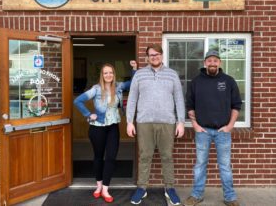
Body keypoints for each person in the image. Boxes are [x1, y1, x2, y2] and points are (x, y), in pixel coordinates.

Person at [126, 44, 185, 205]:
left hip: (167, 122)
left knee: (167, 156)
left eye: (157, 54)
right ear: (147, 57)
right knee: (145, 156)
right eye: (151, 55)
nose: (154, 57)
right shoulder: (139, 75)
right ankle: (142, 188)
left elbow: (179, 99)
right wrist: (129, 122)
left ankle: (169, 188)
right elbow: (132, 99)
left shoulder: (172, 75)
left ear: (162, 55)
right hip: (144, 122)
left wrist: (181, 122)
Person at [74, 60, 137, 203]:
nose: (108, 75)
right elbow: (77, 101)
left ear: (114, 74)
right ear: (102, 75)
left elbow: (134, 82)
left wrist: (134, 68)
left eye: (110, 72)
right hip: (97, 128)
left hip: (113, 127)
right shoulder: (96, 89)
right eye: (105, 73)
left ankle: (105, 189)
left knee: (111, 158)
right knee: (98, 157)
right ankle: (98, 186)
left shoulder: (119, 86)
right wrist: (89, 114)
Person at [184, 50, 242, 206]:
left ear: (220, 63)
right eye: (209, 60)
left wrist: (230, 126)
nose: (212, 63)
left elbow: (236, 105)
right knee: (200, 165)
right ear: (205, 63)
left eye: (215, 60)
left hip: (223, 132)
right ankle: (197, 195)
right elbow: (190, 105)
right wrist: (195, 125)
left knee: (225, 166)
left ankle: (230, 197)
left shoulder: (229, 81)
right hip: (202, 131)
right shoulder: (196, 82)